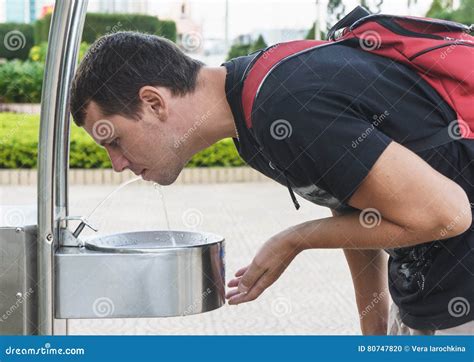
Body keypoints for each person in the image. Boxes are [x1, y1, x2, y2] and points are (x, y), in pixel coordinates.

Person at [70, 31, 473, 335]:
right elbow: (353, 200)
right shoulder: (250, 113)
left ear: (153, 103)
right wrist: (373, 334)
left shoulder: (284, 104)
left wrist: (294, 239)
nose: (117, 164)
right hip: (429, 296)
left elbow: (449, 214)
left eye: (114, 140)